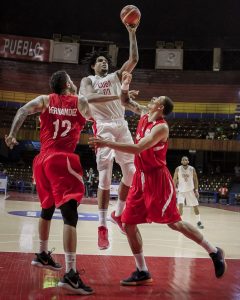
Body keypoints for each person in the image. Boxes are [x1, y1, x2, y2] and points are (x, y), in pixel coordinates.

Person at [89, 72, 227, 286]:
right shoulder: (144, 113)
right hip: (140, 179)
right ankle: (142, 270)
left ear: (160, 108)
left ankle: (214, 251)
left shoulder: (161, 128)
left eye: (156, 100)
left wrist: (107, 143)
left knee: (174, 223)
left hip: (157, 180)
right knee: (128, 223)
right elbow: (124, 101)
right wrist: (124, 84)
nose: (151, 100)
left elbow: (137, 148)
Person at [5, 70, 120, 295]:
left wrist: (11, 134)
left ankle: (42, 253)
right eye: (71, 80)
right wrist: (118, 96)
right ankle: (70, 274)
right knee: (70, 215)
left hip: (42, 161)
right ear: (68, 84)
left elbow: (21, 111)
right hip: (61, 159)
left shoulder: (45, 100)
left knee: (47, 208)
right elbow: (96, 100)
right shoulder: (79, 101)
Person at [80, 23, 139, 250]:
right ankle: (102, 226)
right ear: (94, 66)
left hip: (121, 126)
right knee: (104, 177)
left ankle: (119, 213)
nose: (104, 62)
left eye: (106, 60)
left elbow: (133, 59)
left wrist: (132, 32)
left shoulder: (116, 77)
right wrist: (118, 97)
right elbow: (90, 98)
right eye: (100, 61)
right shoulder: (88, 80)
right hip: (102, 127)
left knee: (132, 174)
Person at [173, 156, 204, 229]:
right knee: (180, 206)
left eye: (186, 160)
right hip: (181, 191)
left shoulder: (192, 169)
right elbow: (174, 179)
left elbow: (195, 180)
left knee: (195, 206)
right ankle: (180, 222)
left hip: (190, 190)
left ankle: (199, 222)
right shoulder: (178, 169)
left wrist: (196, 190)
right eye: (183, 160)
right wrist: (174, 188)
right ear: (181, 161)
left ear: (188, 161)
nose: (184, 161)